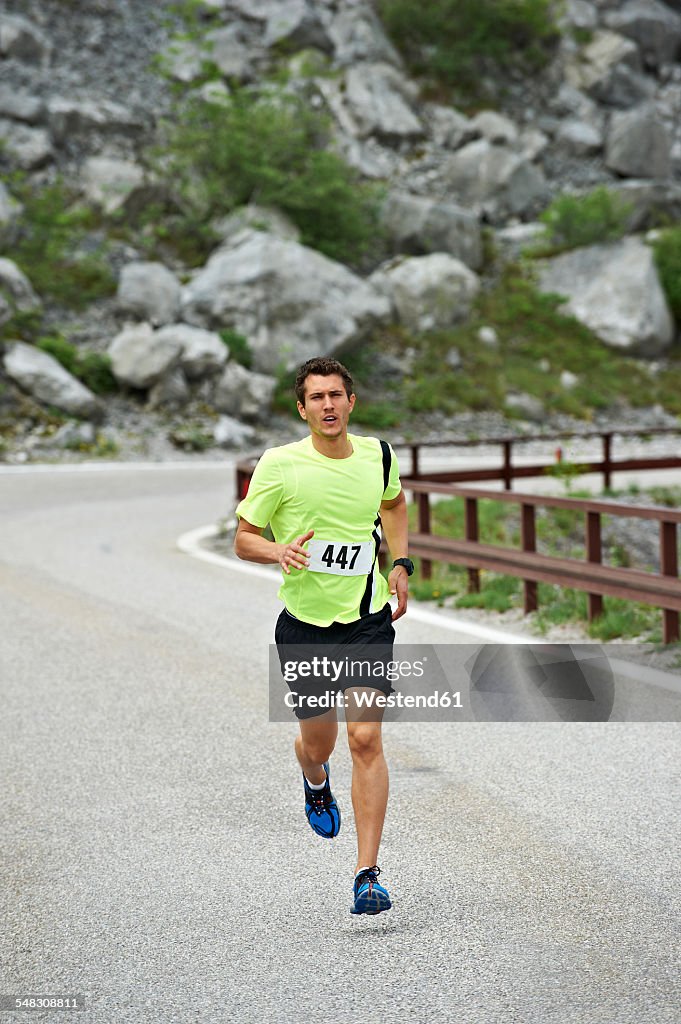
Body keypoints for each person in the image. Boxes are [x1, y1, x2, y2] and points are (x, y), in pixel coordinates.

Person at [233, 356, 414, 915]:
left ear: (351, 402)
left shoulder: (377, 455)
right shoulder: (280, 465)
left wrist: (401, 562)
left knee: (365, 739)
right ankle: (314, 778)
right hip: (304, 627)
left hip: (367, 621)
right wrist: (276, 550)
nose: (328, 406)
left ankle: (367, 875)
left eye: (336, 395)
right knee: (321, 742)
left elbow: (395, 505)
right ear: (302, 407)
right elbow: (243, 537)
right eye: (317, 398)